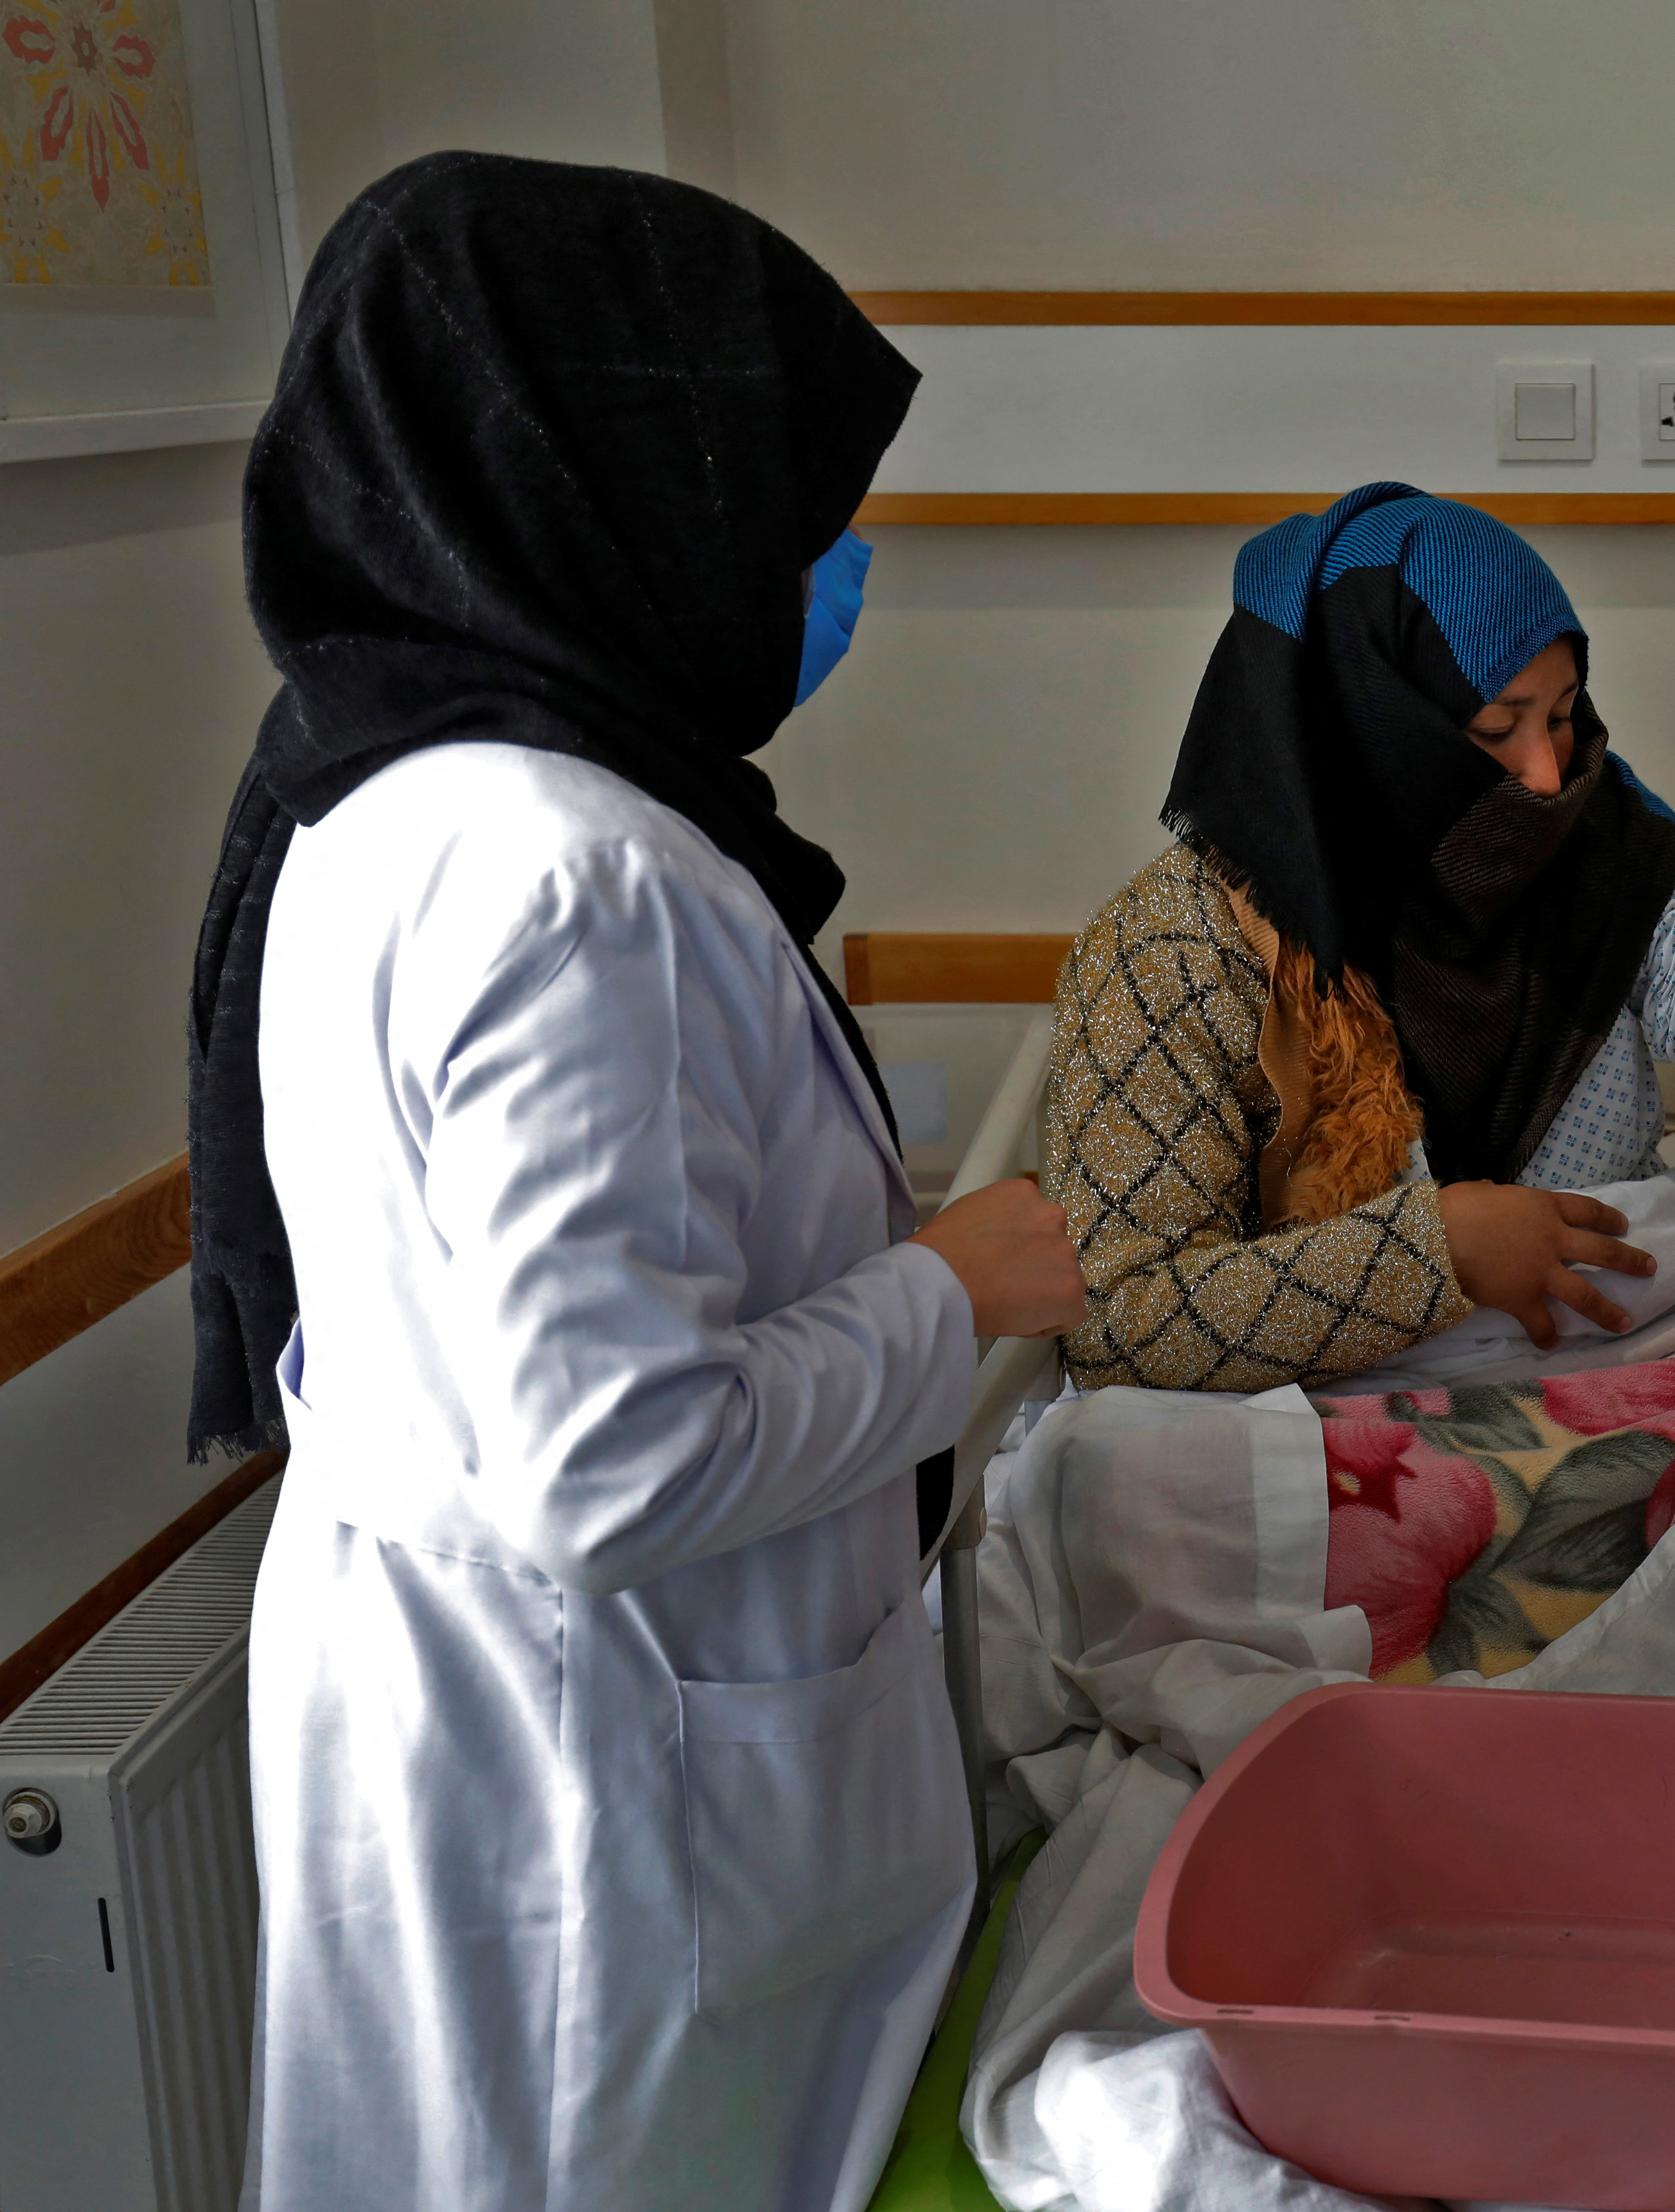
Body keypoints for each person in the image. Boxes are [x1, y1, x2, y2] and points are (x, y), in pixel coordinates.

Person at [186, 155, 1086, 2212]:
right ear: (624, 487)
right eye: (799, 505)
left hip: (476, 1683)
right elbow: (614, 1460)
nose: (838, 563)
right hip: (603, 1760)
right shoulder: (574, 877)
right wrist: (957, 1281)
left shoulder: (381, 788)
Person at [1040, 482, 1675, 1392]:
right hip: (1327, 1408)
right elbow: (1121, 1323)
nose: (1547, 775)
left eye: (1562, 714)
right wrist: (1433, 1252)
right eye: (1499, 726)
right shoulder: (1172, 951)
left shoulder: (1598, 845)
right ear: (1374, 726)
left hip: (1619, 1354)